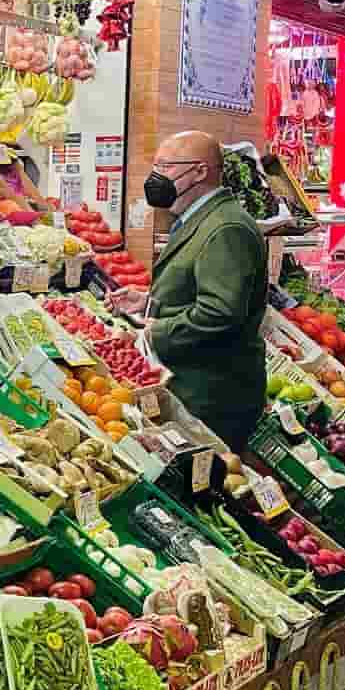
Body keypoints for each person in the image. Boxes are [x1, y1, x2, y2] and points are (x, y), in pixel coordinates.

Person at [107, 130, 268, 450]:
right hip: (195, 385)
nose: (155, 177)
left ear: (199, 171)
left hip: (212, 395)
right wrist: (150, 302)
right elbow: (199, 290)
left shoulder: (226, 228)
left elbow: (219, 312)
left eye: (165, 167)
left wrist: (156, 332)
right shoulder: (203, 219)